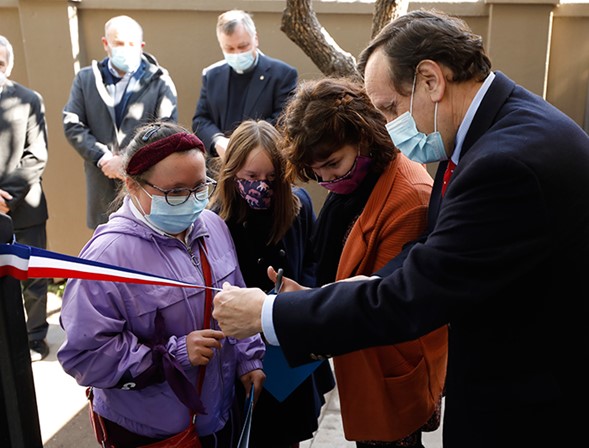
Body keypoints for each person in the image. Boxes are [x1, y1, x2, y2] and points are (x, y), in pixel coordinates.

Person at [212, 9, 589, 448]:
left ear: (431, 80)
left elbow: (414, 292)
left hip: (532, 408)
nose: (389, 127)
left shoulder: (503, 163)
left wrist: (268, 314)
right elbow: (429, 252)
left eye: (391, 107)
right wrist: (316, 301)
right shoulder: (492, 132)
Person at [57, 121, 266, 448]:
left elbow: (236, 298)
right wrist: (176, 353)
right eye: (175, 192)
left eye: (199, 187)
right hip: (150, 432)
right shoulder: (105, 258)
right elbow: (85, 357)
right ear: (132, 185)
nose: (192, 200)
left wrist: (248, 359)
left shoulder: (211, 225)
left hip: (218, 418)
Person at [276, 77, 447, 447]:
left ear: (365, 136)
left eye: (332, 164)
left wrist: (299, 308)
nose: (325, 179)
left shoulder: (409, 197)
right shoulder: (359, 181)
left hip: (390, 368)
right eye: (316, 171)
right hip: (365, 360)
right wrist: (306, 296)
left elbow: (381, 303)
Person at [209, 119, 335, 448]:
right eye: (251, 178)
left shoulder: (298, 204)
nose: (261, 187)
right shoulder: (215, 219)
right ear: (231, 171)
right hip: (242, 348)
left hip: (288, 342)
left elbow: (314, 260)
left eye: (271, 178)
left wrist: (299, 292)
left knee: (288, 433)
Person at [63, 15, 178, 230]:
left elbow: (165, 131)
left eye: (131, 44)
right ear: (106, 44)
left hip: (144, 188)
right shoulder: (85, 79)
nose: (125, 49)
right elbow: (73, 123)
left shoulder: (160, 81)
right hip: (102, 190)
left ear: (141, 46)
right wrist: (103, 157)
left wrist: (125, 161)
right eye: (118, 43)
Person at [191, 9, 298, 169]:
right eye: (229, 49)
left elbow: (283, 120)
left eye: (243, 46)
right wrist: (218, 141)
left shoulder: (282, 74)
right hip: (221, 168)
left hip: (264, 167)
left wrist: (242, 145)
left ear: (256, 39)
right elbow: (201, 119)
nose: (237, 54)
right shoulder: (212, 75)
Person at [0, 35, 50, 362]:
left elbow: (37, 154)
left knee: (33, 280)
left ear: (9, 64)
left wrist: (5, 196)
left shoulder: (29, 99)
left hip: (24, 206)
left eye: (1, 63)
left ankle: (34, 338)